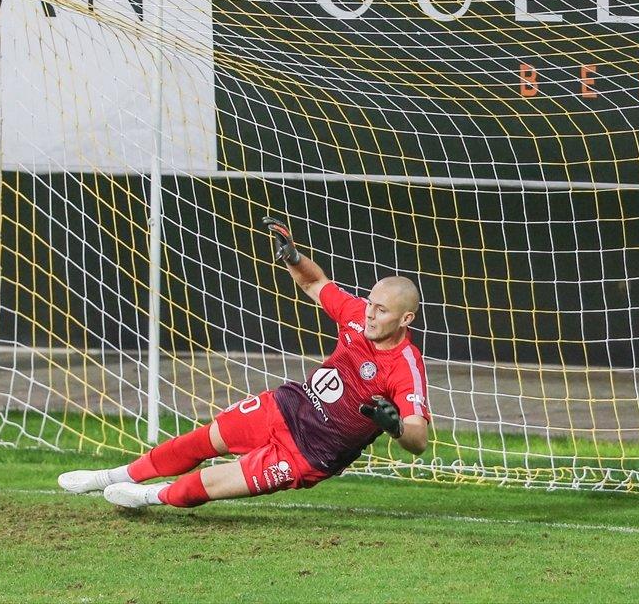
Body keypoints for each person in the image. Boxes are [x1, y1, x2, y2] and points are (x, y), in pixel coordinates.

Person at [58, 216, 430, 509]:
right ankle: (109, 476)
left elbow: (419, 439)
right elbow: (316, 284)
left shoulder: (405, 366)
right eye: (370, 303)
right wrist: (295, 258)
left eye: (381, 310)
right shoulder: (356, 314)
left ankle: (148, 497)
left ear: (405, 319)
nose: (369, 314)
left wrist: (395, 427)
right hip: (286, 406)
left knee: (216, 483)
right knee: (204, 439)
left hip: (309, 453)